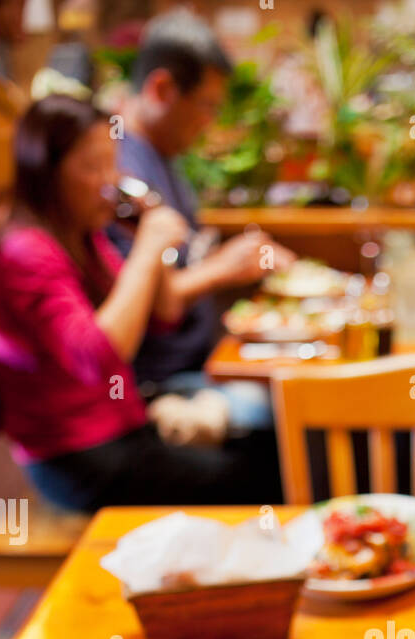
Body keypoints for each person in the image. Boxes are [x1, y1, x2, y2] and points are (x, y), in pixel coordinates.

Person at [0, 95, 278, 511]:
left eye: (113, 162)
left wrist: (148, 231)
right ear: (45, 171)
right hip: (77, 460)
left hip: (123, 430)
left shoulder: (82, 234)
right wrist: (147, 247)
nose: (109, 180)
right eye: (92, 166)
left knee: (272, 444)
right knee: (259, 475)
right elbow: (100, 355)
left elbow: (164, 313)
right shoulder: (26, 252)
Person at [110, 8, 293, 427]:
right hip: (160, 384)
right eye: (206, 106)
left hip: (202, 361)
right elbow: (154, 302)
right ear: (162, 88)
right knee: (294, 410)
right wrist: (223, 267)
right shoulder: (121, 168)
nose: (209, 123)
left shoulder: (163, 154)